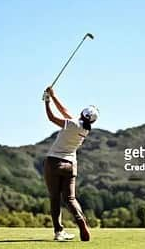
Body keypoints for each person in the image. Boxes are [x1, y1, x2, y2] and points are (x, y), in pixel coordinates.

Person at [42, 86, 99, 242]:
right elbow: (65, 111)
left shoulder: (73, 124)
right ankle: (81, 222)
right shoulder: (84, 129)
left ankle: (59, 232)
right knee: (70, 198)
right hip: (70, 165)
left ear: (82, 113)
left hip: (54, 162)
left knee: (55, 198)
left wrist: (46, 101)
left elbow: (52, 118)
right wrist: (53, 96)